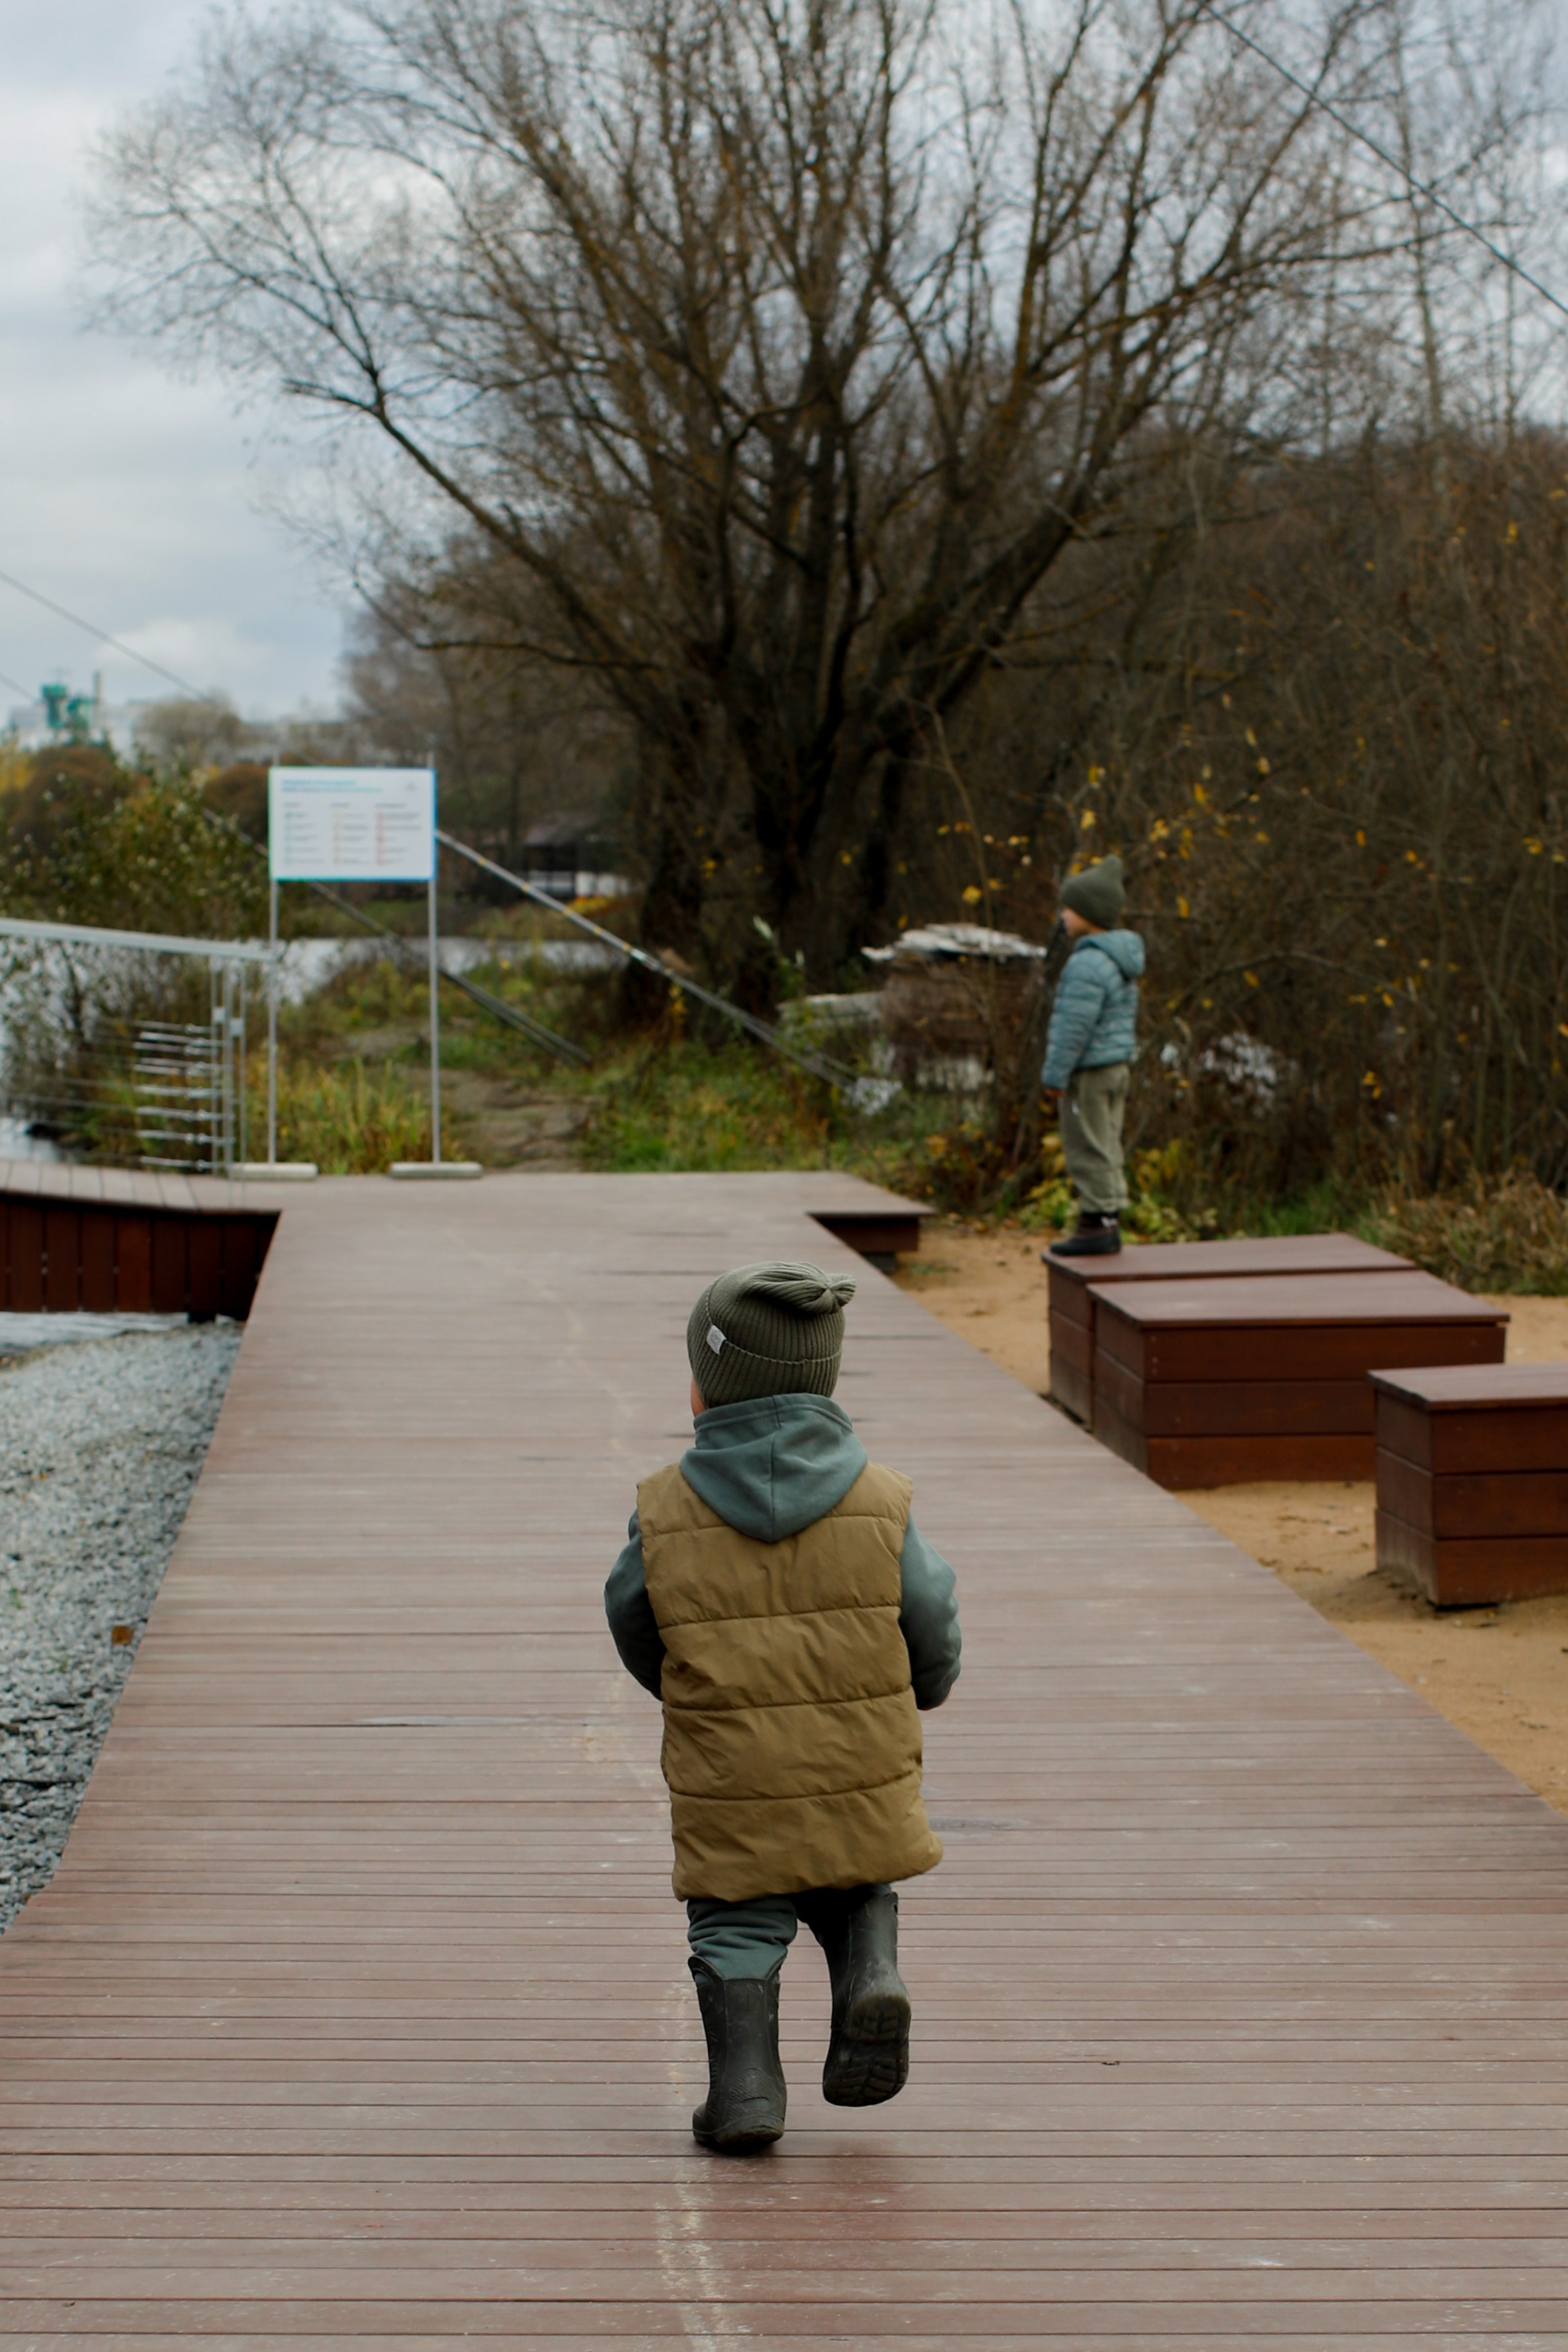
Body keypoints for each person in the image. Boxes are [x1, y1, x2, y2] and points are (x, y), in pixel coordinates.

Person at [604, 1260, 961, 2153]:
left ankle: (747, 2091)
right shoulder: (882, 1499)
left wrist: (693, 1690)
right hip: (857, 1757)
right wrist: (930, 1682)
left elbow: (631, 1614)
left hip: (734, 1765)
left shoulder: (666, 1509)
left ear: (709, 1388)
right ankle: (869, 1967)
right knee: (854, 1871)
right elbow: (930, 1610)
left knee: (736, 1912)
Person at [1040, 853, 1145, 1258]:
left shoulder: (1087, 963)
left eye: (1070, 908)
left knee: (1087, 1144)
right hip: (1116, 1067)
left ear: (1090, 913)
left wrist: (1055, 1076)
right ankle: (1106, 1218)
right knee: (1108, 1142)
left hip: (1089, 1071)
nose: (1063, 916)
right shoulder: (1122, 959)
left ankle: (1096, 1222)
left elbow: (1073, 1027)